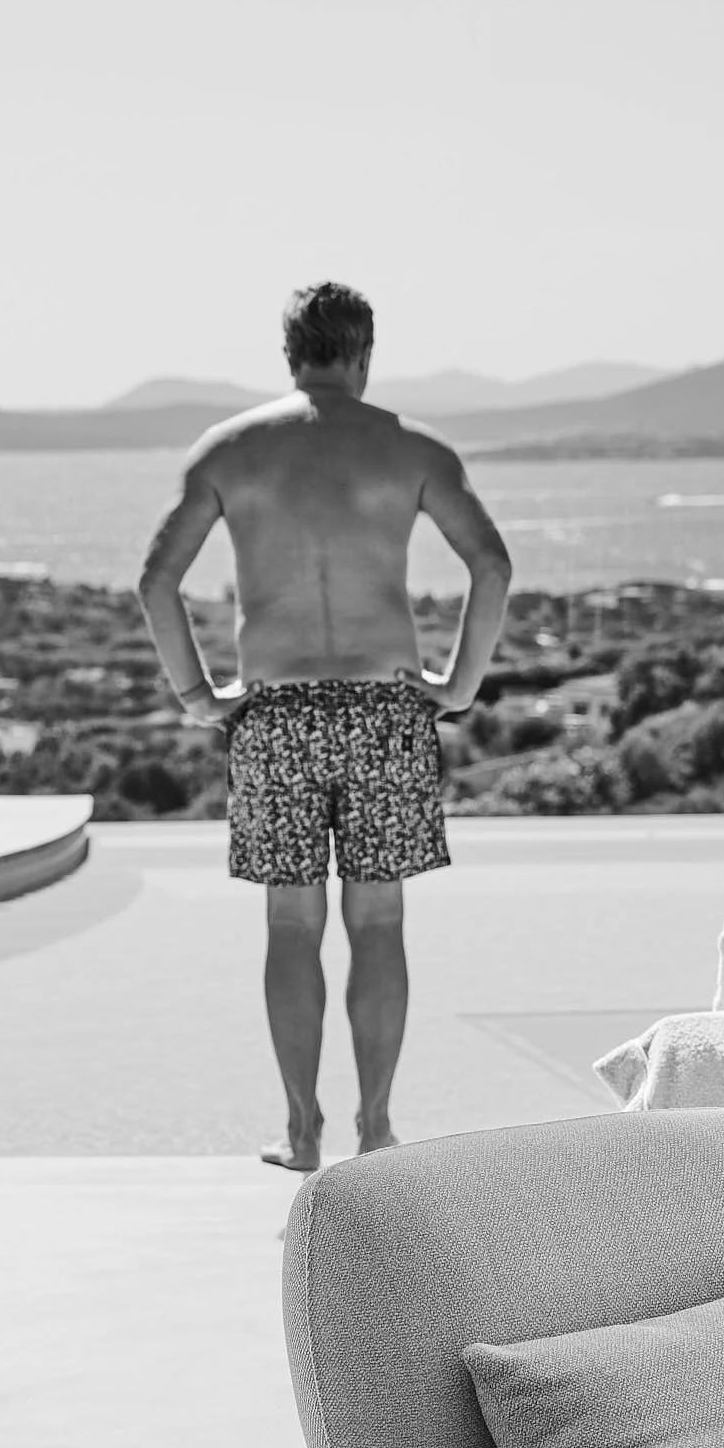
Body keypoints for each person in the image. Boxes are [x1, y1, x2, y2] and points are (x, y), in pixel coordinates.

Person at [135, 282, 512, 1171]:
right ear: (365, 353)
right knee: (379, 924)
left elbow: (157, 583)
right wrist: (457, 685)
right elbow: (491, 565)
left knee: (291, 928)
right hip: (385, 709)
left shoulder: (229, 450)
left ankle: (302, 1131)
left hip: (274, 713)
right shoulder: (411, 447)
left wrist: (198, 693)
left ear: (290, 354)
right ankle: (375, 1127)